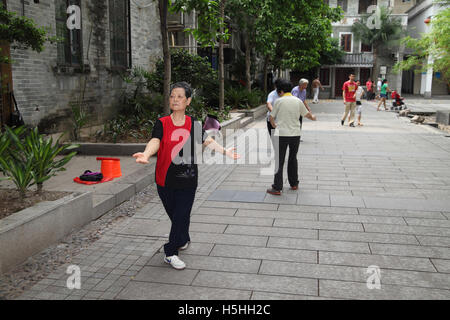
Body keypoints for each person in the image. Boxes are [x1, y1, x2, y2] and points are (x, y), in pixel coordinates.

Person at [132, 82, 240, 270]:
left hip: (188, 179)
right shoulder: (162, 123)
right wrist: (146, 154)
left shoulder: (193, 123)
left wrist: (225, 152)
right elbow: (155, 140)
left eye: (180, 96)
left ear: (188, 101)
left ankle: (170, 252)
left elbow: (207, 140)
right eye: (172, 96)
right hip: (164, 179)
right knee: (177, 216)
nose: (175, 99)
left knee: (181, 214)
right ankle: (182, 238)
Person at [266, 79, 317, 195]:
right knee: (293, 158)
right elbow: (307, 114)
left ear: (281, 91)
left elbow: (271, 116)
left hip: (282, 134)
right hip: (295, 134)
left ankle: (277, 187)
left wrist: (274, 125)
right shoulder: (298, 100)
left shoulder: (279, 101)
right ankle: (294, 183)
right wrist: (313, 117)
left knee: (279, 160)